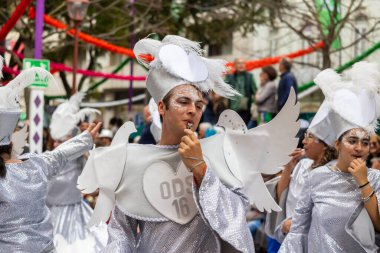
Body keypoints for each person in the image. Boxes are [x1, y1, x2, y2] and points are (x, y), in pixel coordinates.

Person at [78, 35, 301, 253]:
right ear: (162, 107)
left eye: (199, 104)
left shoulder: (220, 153)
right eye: (183, 102)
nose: (193, 110)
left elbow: (236, 221)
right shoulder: (133, 160)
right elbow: (121, 232)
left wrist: (202, 170)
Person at [279, 62, 380, 252]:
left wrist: (363, 183)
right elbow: (299, 231)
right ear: (338, 144)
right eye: (352, 141)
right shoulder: (316, 177)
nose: (359, 147)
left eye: (365, 143)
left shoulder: (376, 179)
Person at [0, 65, 102, 252]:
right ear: (11, 141)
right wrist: (85, 139)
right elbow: (60, 155)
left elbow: (60, 154)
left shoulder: (36, 164)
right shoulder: (36, 165)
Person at [47, 92, 106, 252]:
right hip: (48, 214)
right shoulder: (46, 159)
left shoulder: (80, 156)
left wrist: (88, 152)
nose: (58, 145)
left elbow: (95, 180)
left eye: (62, 141)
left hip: (74, 214)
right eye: (56, 141)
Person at [226, 58, 257, 125]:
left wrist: (254, 104)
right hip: (233, 109)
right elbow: (225, 89)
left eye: (243, 63)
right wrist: (227, 75)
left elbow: (255, 92)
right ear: (234, 66)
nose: (241, 65)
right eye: (239, 63)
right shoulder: (230, 77)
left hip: (245, 109)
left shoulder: (250, 76)